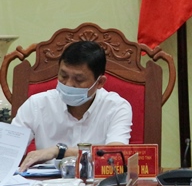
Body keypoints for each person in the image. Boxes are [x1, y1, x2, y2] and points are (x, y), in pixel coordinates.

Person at [13, 41, 132, 171]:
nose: (68, 84)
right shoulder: (37, 104)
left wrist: (59, 151)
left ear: (100, 82)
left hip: (95, 182)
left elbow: (115, 156)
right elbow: (8, 150)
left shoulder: (116, 107)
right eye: (63, 76)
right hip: (43, 182)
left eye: (79, 80)